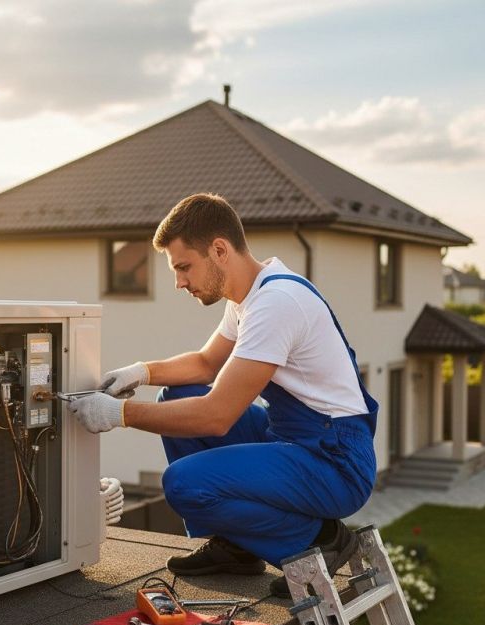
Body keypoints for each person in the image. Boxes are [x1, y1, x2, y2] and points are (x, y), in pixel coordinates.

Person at [69, 193, 378, 597]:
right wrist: (140, 372)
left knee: (183, 484)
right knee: (176, 393)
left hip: (335, 461)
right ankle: (237, 547)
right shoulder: (250, 295)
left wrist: (119, 414)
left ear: (219, 250)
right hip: (295, 438)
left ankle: (317, 540)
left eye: (183, 267)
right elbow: (204, 364)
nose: (179, 282)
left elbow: (217, 416)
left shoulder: (276, 303)